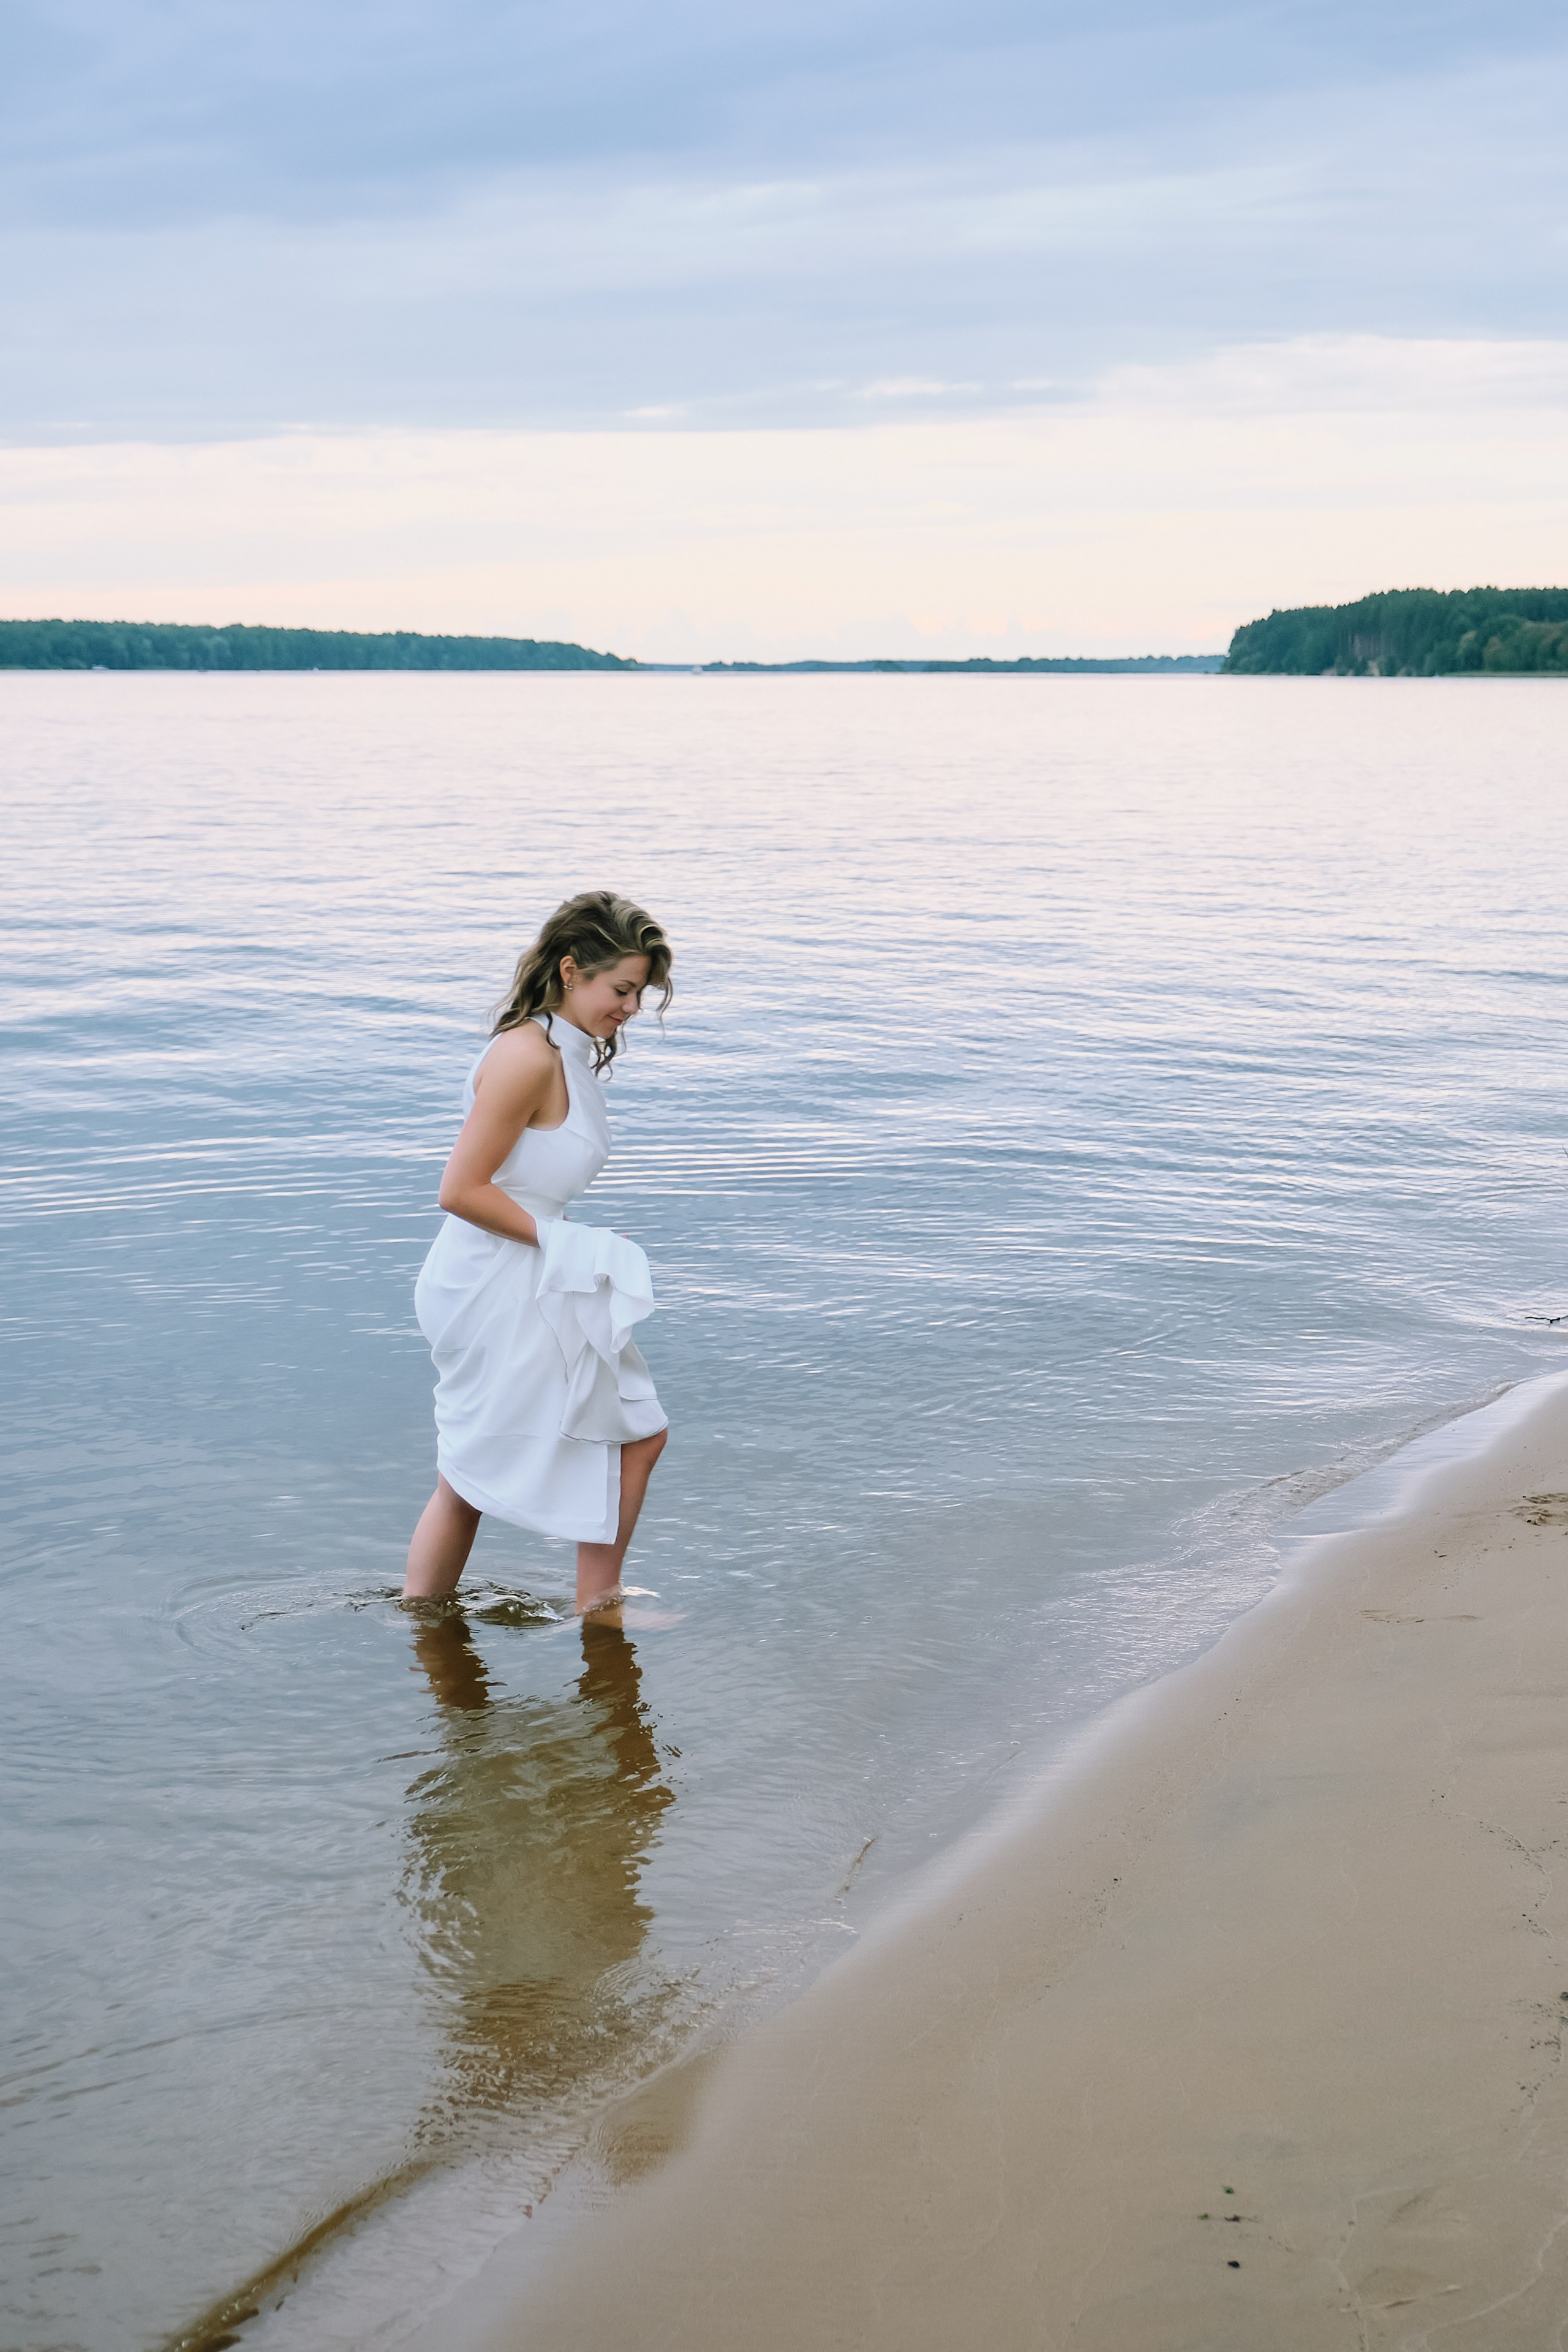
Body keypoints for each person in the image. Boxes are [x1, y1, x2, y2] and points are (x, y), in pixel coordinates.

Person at [404, 892, 673, 1613]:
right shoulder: (526, 1055)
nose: (631, 1009)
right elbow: (460, 1189)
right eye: (622, 990)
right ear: (570, 970)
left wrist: (574, 1241)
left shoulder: (568, 1055)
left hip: (533, 1267)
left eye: (640, 993)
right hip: (492, 1276)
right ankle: (590, 1612)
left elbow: (528, 1182)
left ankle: (577, 1610)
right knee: (478, 1471)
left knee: (630, 1433)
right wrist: (570, 1241)